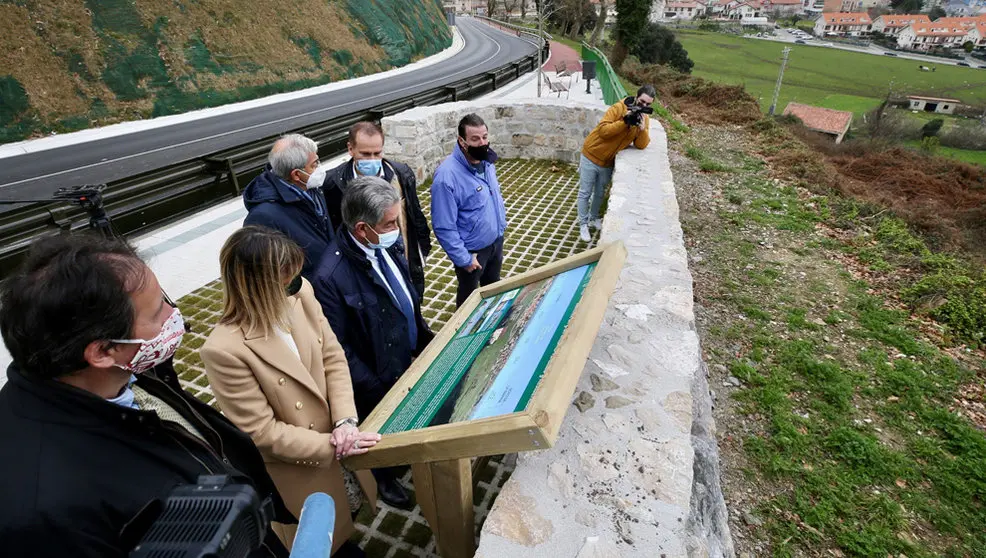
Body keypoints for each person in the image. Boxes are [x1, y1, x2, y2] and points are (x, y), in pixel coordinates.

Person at [0, 234, 294, 558]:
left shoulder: (119, 372)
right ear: (102, 351)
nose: (173, 313)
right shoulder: (45, 513)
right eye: (157, 313)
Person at [200, 226, 380, 557]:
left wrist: (344, 422)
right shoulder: (223, 350)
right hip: (302, 468)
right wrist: (333, 445)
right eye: (287, 280)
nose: (295, 287)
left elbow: (333, 358)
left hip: (339, 443)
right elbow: (262, 432)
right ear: (258, 287)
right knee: (324, 540)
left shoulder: (301, 294)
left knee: (350, 516)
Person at [314, 176, 435, 510]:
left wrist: (422, 337)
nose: (397, 228)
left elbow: (404, 298)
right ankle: (385, 477)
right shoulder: (329, 277)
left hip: (404, 359)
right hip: (375, 382)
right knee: (380, 436)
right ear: (363, 228)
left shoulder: (386, 243)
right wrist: (376, 385)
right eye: (390, 223)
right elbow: (338, 350)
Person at [322, 121, 432, 301]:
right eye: (365, 154)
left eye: (377, 153)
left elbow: (415, 214)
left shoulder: (400, 173)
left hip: (401, 256)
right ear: (350, 149)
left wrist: (422, 251)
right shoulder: (332, 183)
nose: (372, 160)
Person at [431, 113, 508, 307]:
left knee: (492, 291)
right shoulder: (446, 177)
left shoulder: (486, 162)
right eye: (475, 139)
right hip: (472, 254)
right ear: (462, 141)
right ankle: (463, 334)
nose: (482, 143)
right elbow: (443, 226)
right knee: (469, 302)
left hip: (496, 243)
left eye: (484, 137)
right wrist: (464, 259)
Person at [243, 133, 333, 280]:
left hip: (328, 282)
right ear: (297, 175)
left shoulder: (310, 187)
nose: (319, 168)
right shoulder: (263, 217)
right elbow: (265, 274)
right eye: (314, 164)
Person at [577, 84, 655, 242]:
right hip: (591, 155)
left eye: (648, 104)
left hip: (608, 161)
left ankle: (593, 218)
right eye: (641, 102)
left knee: (599, 192)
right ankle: (583, 223)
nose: (643, 106)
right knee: (585, 192)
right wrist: (624, 121)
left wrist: (642, 129)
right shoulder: (618, 108)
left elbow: (641, 145)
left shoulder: (644, 118)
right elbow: (603, 132)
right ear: (636, 97)